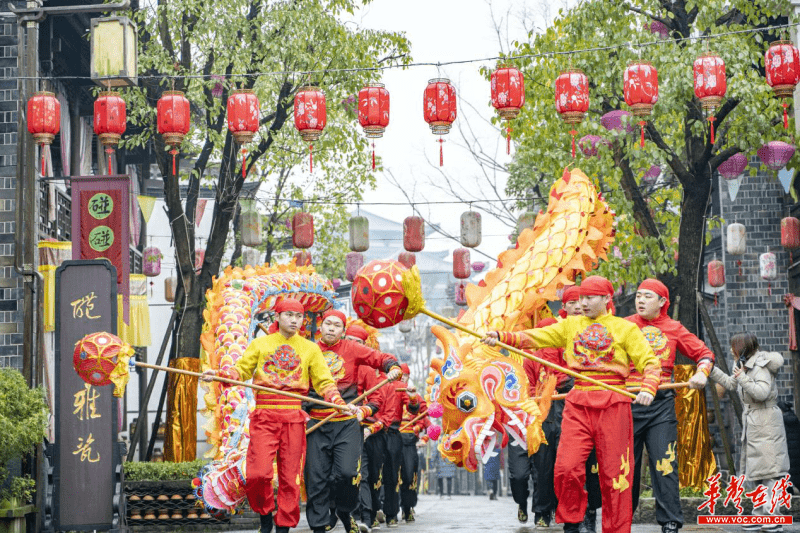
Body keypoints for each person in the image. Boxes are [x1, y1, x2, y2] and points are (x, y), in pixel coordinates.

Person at [484, 275, 661, 533]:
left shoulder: (626, 329)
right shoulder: (571, 326)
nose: (584, 303)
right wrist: (501, 337)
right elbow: (535, 337)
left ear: (607, 299)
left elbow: (650, 363)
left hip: (614, 405)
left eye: (590, 298)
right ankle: (572, 521)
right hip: (578, 404)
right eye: (581, 299)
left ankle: (617, 529)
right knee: (566, 468)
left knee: (616, 475)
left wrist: (648, 387)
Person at [201, 298, 354, 533]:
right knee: (258, 474)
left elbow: (324, 382)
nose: (294, 320)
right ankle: (265, 514)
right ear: (278, 317)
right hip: (264, 416)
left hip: (293, 417)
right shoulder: (261, 344)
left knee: (289, 477)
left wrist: (338, 403)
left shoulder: (310, 348)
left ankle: (283, 525)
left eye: (299, 316)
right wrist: (220, 374)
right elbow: (240, 371)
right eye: (289, 315)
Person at [624, 279, 714, 533]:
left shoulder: (673, 328)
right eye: (638, 295)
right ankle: (622, 521)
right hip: (627, 401)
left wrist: (702, 374)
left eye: (648, 296)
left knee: (665, 462)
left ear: (663, 302)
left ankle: (670, 522)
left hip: (660, 404)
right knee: (624, 465)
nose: (640, 300)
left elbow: (705, 354)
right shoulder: (624, 326)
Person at [306, 310, 403, 533]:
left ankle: (344, 509)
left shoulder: (352, 349)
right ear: (320, 326)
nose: (331, 328)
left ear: (343, 331)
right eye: (328, 324)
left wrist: (392, 366)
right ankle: (319, 526)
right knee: (317, 478)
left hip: (347, 423)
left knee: (349, 474)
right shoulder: (308, 349)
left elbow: (381, 358)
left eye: (337, 325)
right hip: (316, 423)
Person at [710, 333, 790, 532]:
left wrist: (743, 378)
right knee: (756, 471)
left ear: (742, 348)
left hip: (767, 421)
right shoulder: (744, 365)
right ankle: (759, 515)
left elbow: (762, 393)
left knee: (771, 471)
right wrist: (711, 370)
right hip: (754, 422)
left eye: (733, 347)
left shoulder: (761, 366)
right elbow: (730, 384)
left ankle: (774, 517)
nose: (730, 350)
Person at [508, 317, 569, 527]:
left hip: (564, 413)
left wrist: (556, 387)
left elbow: (571, 379)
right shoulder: (530, 358)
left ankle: (560, 509)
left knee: (563, 465)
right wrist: (544, 396)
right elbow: (529, 387)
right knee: (541, 467)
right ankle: (541, 512)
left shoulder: (567, 355)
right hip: (539, 416)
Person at [367, 363, 420, 528]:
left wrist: (412, 397)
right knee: (373, 474)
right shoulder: (369, 382)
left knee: (392, 474)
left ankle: (391, 514)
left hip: (393, 433)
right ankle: (373, 512)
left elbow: (413, 409)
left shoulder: (400, 386)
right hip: (373, 433)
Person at [398, 372, 427, 523]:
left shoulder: (416, 396)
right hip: (392, 438)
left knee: (409, 475)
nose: (402, 378)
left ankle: (407, 508)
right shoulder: (391, 391)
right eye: (400, 375)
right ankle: (385, 511)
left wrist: (418, 428)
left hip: (409, 442)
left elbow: (424, 418)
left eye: (405, 376)